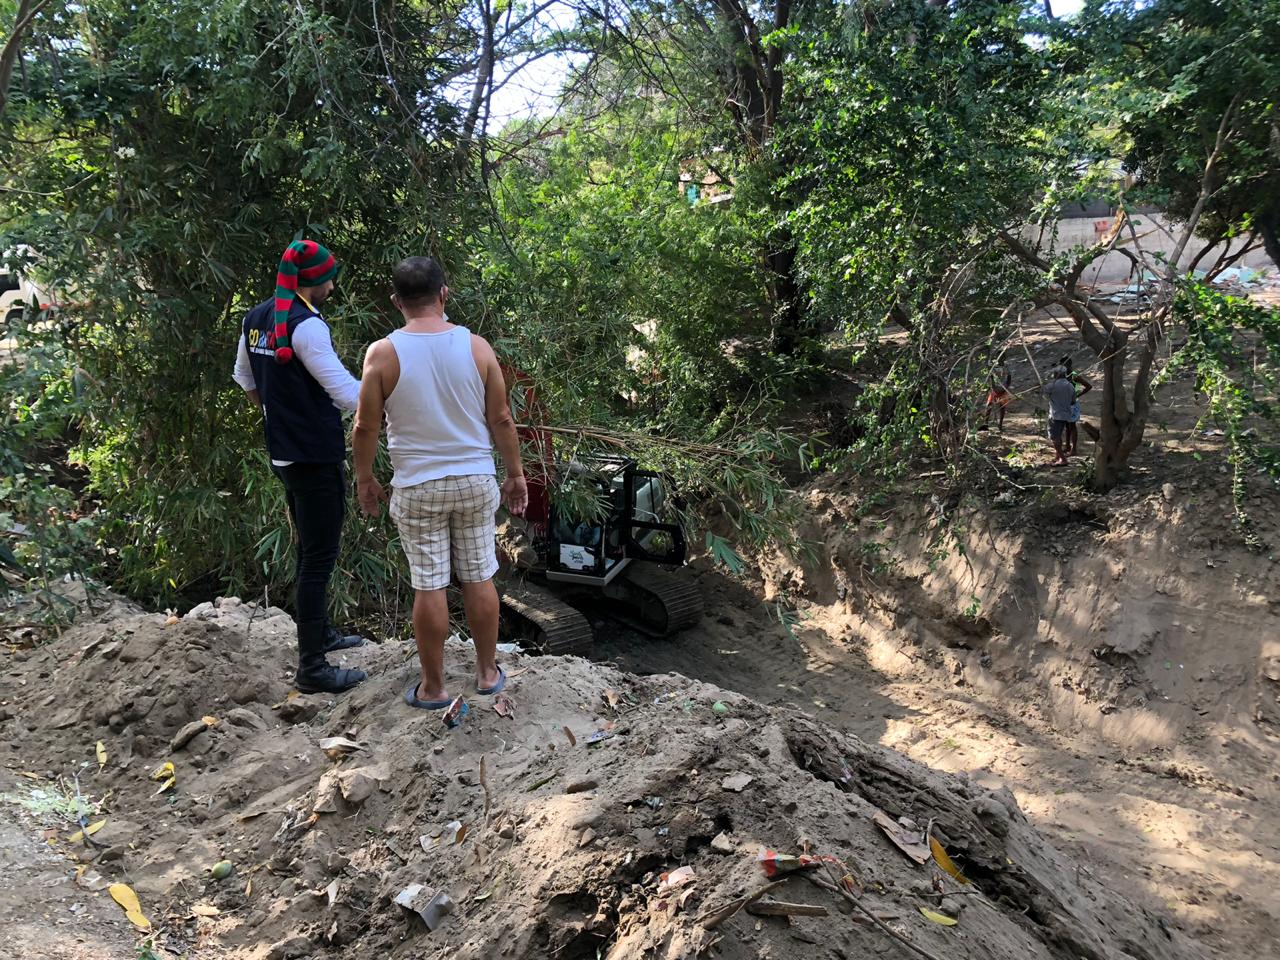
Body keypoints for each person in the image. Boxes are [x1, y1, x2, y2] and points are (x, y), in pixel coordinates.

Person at [352, 256, 528, 709]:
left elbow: (366, 427)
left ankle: (433, 688)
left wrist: (365, 479)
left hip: (418, 487)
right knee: (479, 574)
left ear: (397, 302)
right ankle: (487, 673)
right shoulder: (477, 348)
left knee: (429, 584)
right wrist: (515, 474)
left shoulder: (383, 354)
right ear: (444, 294)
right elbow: (501, 419)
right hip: (474, 480)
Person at [232, 240, 368, 694]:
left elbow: (245, 378)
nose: (333, 286)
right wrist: (392, 393)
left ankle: (322, 634)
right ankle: (312, 667)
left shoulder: (256, 318)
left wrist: (277, 413)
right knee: (318, 558)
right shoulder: (306, 326)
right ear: (316, 281)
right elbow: (347, 394)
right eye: (330, 278)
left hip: (283, 452)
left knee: (309, 549)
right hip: (313, 455)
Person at [1042, 366, 1076, 467]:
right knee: (1059, 436)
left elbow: (1044, 394)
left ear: (1056, 374)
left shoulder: (1052, 386)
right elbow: (1073, 401)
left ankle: (1063, 458)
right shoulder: (1070, 386)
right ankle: (1058, 456)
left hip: (1056, 415)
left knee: (1054, 438)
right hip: (1066, 415)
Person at [984, 354, 1012, 431]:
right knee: (989, 405)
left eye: (1002, 357)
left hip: (1003, 390)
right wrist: (993, 387)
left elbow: (1009, 377)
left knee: (1002, 407)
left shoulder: (1006, 366)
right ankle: (985, 423)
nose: (1000, 359)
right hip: (995, 389)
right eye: (999, 357)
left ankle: (1000, 425)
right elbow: (991, 377)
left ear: (1004, 358)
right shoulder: (994, 366)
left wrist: (1006, 387)